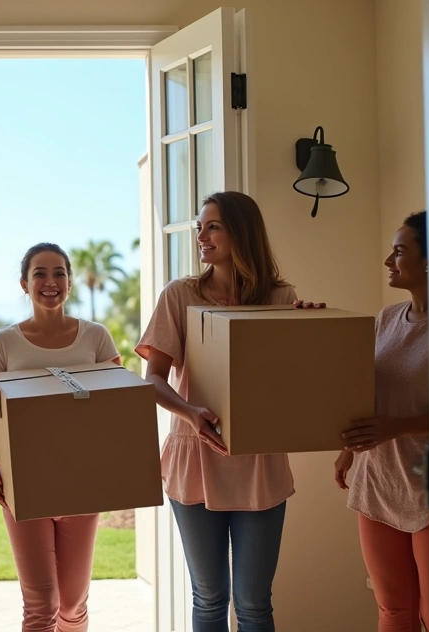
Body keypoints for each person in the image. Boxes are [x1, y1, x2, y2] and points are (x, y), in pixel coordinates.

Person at [136, 191, 322, 632]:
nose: (201, 235)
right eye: (200, 226)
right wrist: (190, 412)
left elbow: (298, 382)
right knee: (209, 598)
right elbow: (153, 381)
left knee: (255, 603)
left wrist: (311, 329)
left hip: (260, 460)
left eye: (212, 225)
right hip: (195, 456)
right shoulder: (180, 295)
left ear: (242, 231)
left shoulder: (282, 297)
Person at [0, 242, 122, 632]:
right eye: (40, 273)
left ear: (70, 282)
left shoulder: (96, 339)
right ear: (25, 284)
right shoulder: (4, 343)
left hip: (82, 484)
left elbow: (120, 412)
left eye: (59, 273)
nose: (50, 281)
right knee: (40, 605)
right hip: (23, 486)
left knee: (72, 604)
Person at [334, 211, 429, 632]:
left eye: (399, 252)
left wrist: (400, 426)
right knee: (393, 610)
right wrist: (347, 450)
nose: (388, 262)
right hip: (379, 477)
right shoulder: (387, 318)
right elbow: (368, 391)